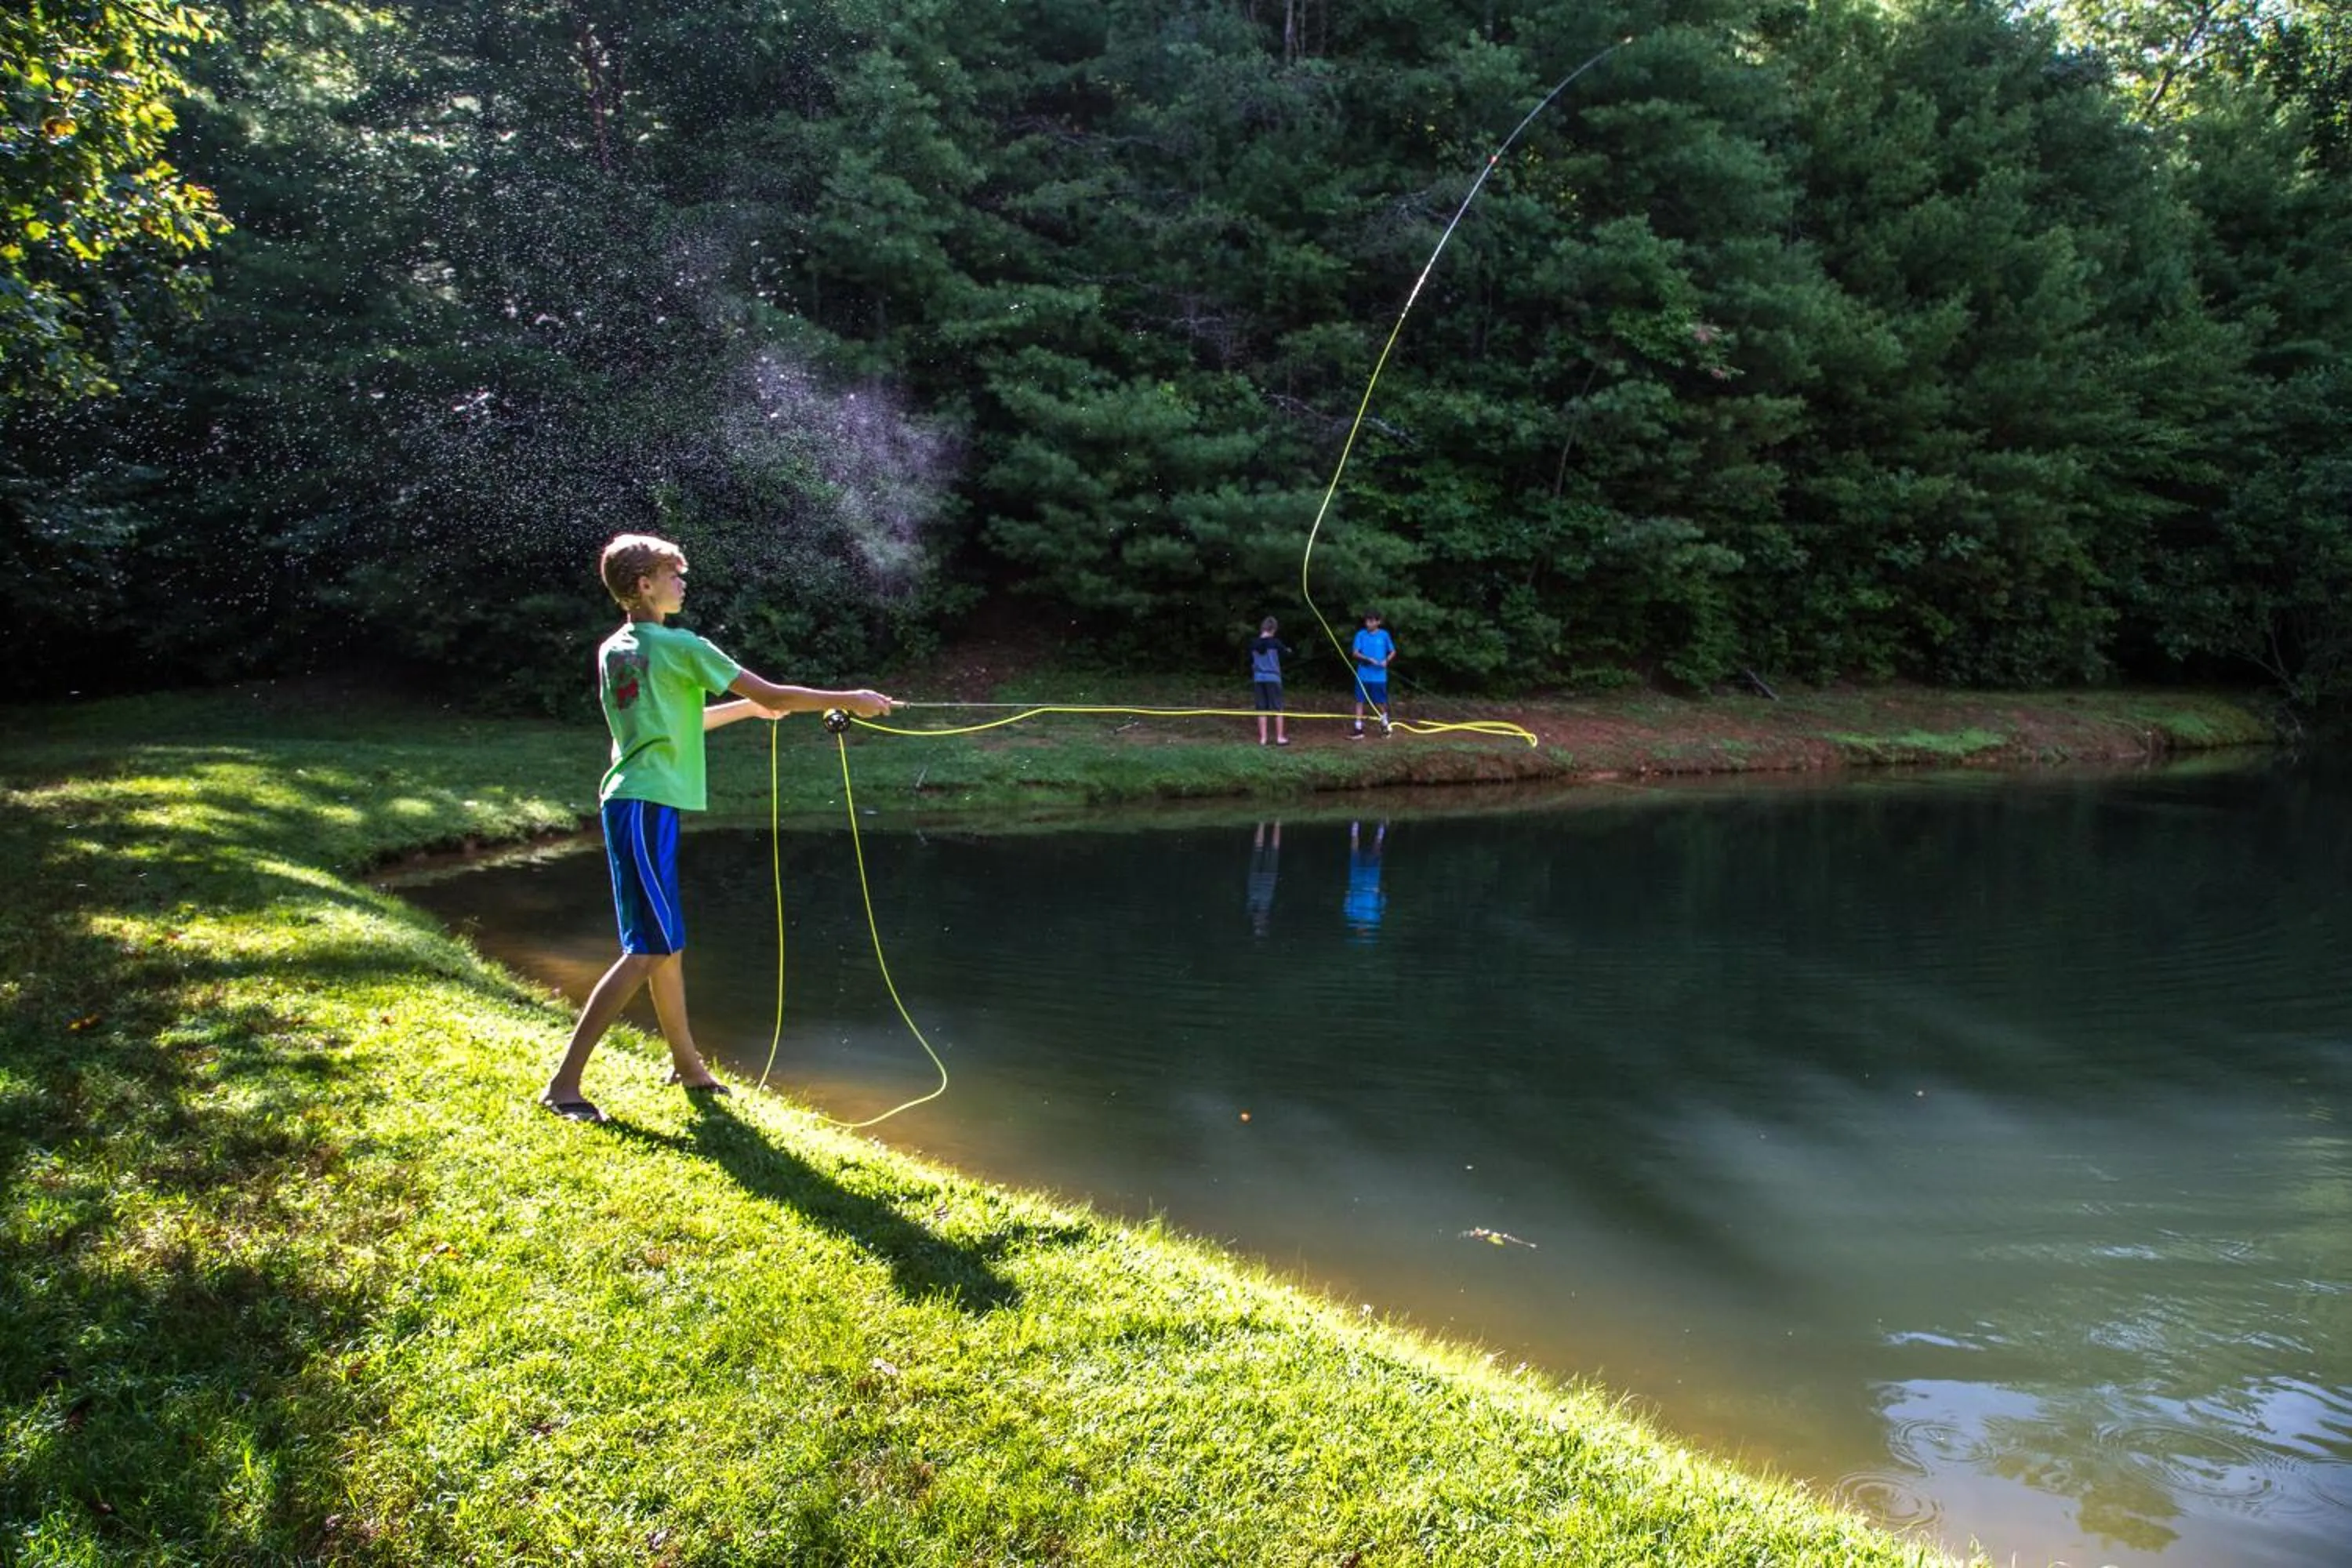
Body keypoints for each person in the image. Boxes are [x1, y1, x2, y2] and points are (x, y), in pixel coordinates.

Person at [539, 532, 895, 1123]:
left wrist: (749, 710)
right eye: (672, 574)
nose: (682, 582)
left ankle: (688, 1065)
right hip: (648, 806)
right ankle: (564, 1085)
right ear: (644, 584)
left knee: (667, 946)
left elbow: (678, 720)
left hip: (634, 802)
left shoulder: (619, 648)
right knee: (648, 948)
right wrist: (851, 697)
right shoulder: (682, 646)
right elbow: (774, 691)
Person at [1351, 610, 1396, 736]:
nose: (1368, 623)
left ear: (1378, 622)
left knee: (1379, 702)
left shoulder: (1384, 635)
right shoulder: (1360, 634)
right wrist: (1368, 659)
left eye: (1371, 621)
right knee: (1359, 700)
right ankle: (1358, 729)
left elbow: (1392, 652)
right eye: (1367, 621)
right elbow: (1355, 653)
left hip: (1379, 677)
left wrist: (1386, 661)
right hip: (1363, 674)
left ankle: (1385, 724)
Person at [1249, 615, 1292, 746]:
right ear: (1273, 629)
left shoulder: (1254, 643)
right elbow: (1286, 654)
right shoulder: (1275, 643)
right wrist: (1288, 651)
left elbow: (1251, 661)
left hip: (1258, 679)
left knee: (1261, 709)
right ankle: (1280, 738)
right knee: (1278, 708)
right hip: (1273, 678)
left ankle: (1263, 739)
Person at [1344, 818, 1388, 942]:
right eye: (1362, 930)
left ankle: (1355, 826)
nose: (1361, 928)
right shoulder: (1374, 918)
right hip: (1370, 883)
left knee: (1356, 852)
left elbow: (1347, 901)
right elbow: (1382, 903)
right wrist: (1381, 892)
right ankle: (1380, 828)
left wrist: (1349, 892)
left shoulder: (1352, 915)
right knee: (1375, 852)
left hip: (1358, 883)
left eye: (1359, 930)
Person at [1246, 820, 1282, 937]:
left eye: (1256, 924)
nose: (1258, 921)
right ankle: (1276, 823)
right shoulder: (1267, 909)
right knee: (1273, 849)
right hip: (1268, 878)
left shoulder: (1251, 908)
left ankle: (1262, 823)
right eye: (1260, 924)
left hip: (1256, 877)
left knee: (1259, 848)